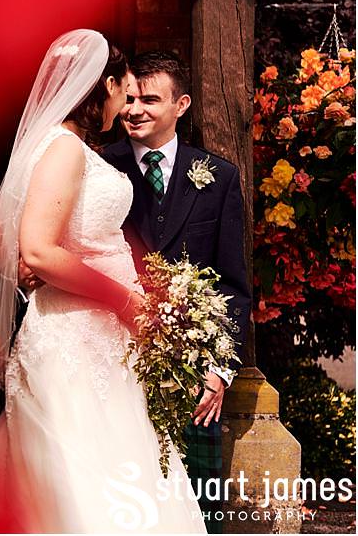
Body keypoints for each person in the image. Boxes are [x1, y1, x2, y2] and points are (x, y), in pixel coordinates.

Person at [0, 30, 206, 533]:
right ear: (108, 84)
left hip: (97, 339)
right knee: (80, 475)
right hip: (75, 337)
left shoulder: (67, 145)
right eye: (125, 89)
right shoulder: (64, 149)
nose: (127, 102)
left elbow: (59, 244)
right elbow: (37, 249)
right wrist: (124, 300)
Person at [100, 51, 251, 533]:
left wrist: (219, 370)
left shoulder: (220, 177)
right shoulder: (97, 170)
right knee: (114, 494)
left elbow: (233, 285)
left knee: (193, 503)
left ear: (181, 105)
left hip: (191, 372)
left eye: (150, 98)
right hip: (109, 354)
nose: (135, 109)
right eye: (129, 98)